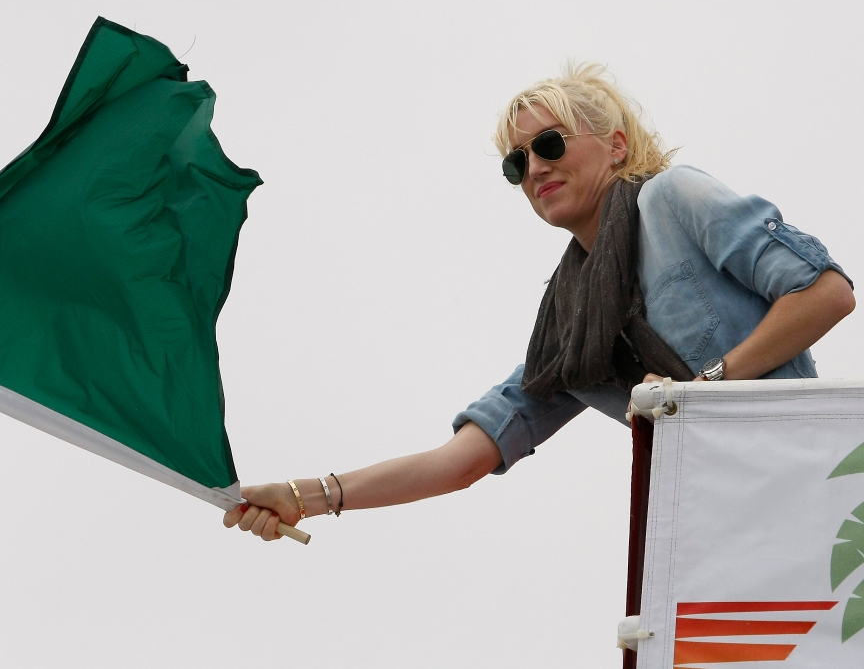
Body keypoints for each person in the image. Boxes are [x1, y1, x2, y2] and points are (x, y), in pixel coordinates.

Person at [223, 63, 855, 541]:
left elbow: (826, 292)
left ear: (615, 145)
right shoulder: (568, 330)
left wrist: (703, 388)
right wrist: (305, 496)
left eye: (549, 144)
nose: (533, 169)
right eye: (515, 163)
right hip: (723, 527)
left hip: (816, 483)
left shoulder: (673, 198)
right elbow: (459, 461)